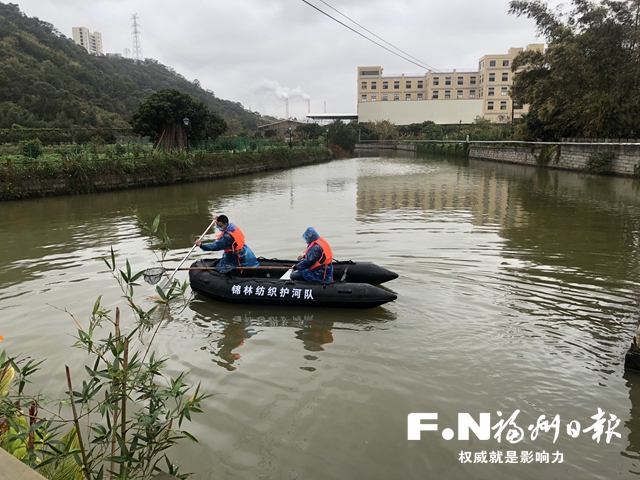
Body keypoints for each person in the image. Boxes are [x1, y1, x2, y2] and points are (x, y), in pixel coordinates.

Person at [195, 215, 259, 273]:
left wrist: (201, 245)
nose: (218, 227)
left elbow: (215, 246)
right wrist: (216, 220)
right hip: (244, 251)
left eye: (220, 226)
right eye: (217, 225)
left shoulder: (227, 237)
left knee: (220, 269)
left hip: (235, 256)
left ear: (225, 224)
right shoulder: (232, 227)